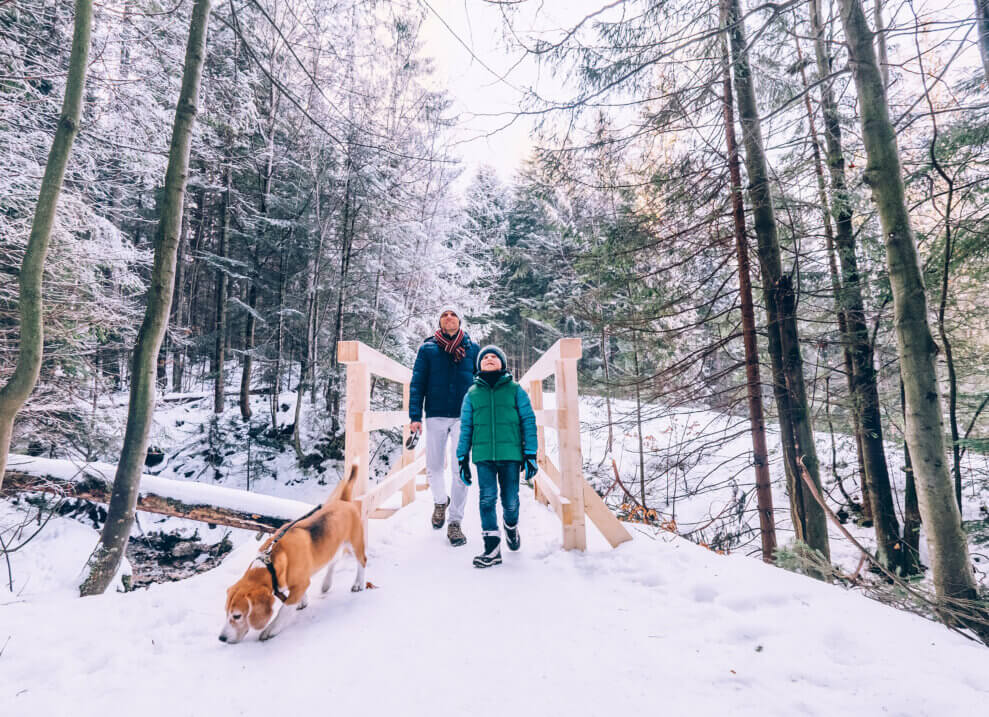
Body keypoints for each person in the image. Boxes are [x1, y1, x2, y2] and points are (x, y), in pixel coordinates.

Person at [456, 345, 539, 568]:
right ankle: (491, 549)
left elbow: (528, 421)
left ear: (502, 363)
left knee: (510, 501)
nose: (490, 359)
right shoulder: (472, 394)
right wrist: (462, 457)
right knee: (486, 499)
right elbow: (466, 428)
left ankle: (511, 527)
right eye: (485, 357)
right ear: (479, 365)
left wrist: (530, 453)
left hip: (511, 455)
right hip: (484, 457)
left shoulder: (515, 389)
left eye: (495, 357)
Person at [409, 308, 480, 546]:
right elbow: (418, 383)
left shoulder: (473, 349)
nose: (449, 317)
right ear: (439, 322)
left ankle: (455, 522)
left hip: (464, 416)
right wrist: (415, 416)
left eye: (453, 314)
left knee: (461, 469)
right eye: (444, 314)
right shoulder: (427, 348)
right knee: (434, 467)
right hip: (436, 414)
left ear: (460, 320)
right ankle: (441, 501)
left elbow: (482, 383)